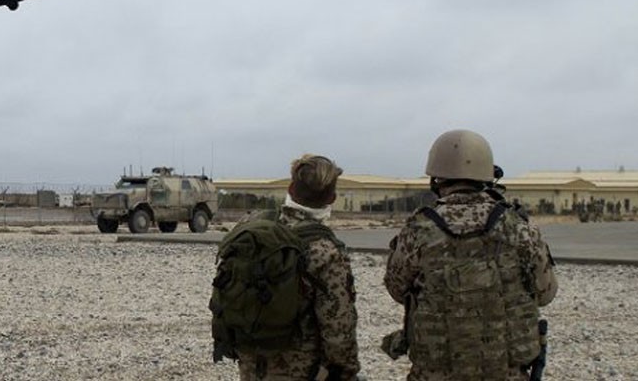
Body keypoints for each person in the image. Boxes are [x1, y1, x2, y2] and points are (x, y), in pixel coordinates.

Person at [384, 129, 558, 381]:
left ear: (436, 178)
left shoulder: (418, 229)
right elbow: (546, 294)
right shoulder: (519, 228)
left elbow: (396, 289)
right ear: (487, 174)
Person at [228, 154, 360, 380]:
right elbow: (338, 331)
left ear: (290, 188)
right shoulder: (325, 252)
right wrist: (346, 371)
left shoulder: (249, 227)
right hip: (299, 371)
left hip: (251, 364)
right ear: (332, 198)